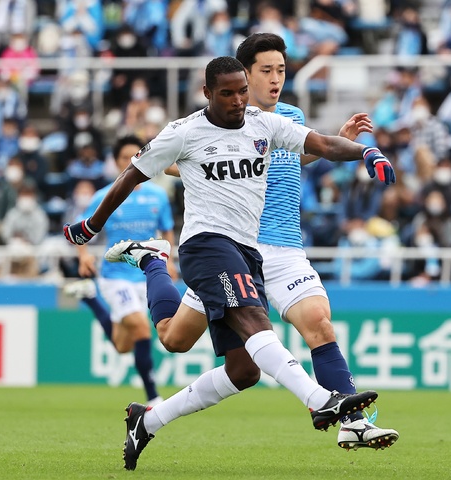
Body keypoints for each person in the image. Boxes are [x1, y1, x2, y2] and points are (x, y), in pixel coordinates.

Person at [63, 55, 394, 470]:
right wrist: (90, 226)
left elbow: (324, 145)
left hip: (246, 252)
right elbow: (132, 174)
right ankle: (320, 400)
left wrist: (366, 151)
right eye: (227, 93)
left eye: (241, 92)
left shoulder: (264, 123)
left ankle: (147, 417)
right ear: (207, 93)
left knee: (237, 368)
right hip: (206, 246)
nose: (237, 101)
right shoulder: (184, 132)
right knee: (254, 319)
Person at [163, 33, 399, 451]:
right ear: (244, 75)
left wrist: (334, 143)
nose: (276, 79)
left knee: (319, 321)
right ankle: (151, 264)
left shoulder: (290, 115)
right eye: (267, 71)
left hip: (285, 246)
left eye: (282, 71)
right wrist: (215, 168)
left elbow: (294, 155)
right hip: (231, 251)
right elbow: (170, 162)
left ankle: (353, 422)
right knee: (175, 340)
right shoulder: (213, 124)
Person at [64, 135, 175, 407]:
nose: (130, 161)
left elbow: (167, 229)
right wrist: (83, 256)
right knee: (141, 328)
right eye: (124, 157)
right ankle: (153, 397)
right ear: (115, 163)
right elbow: (81, 228)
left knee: (122, 345)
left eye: (135, 155)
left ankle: (90, 298)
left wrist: (170, 261)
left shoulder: (158, 195)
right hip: (115, 276)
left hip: (146, 275)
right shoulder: (105, 196)